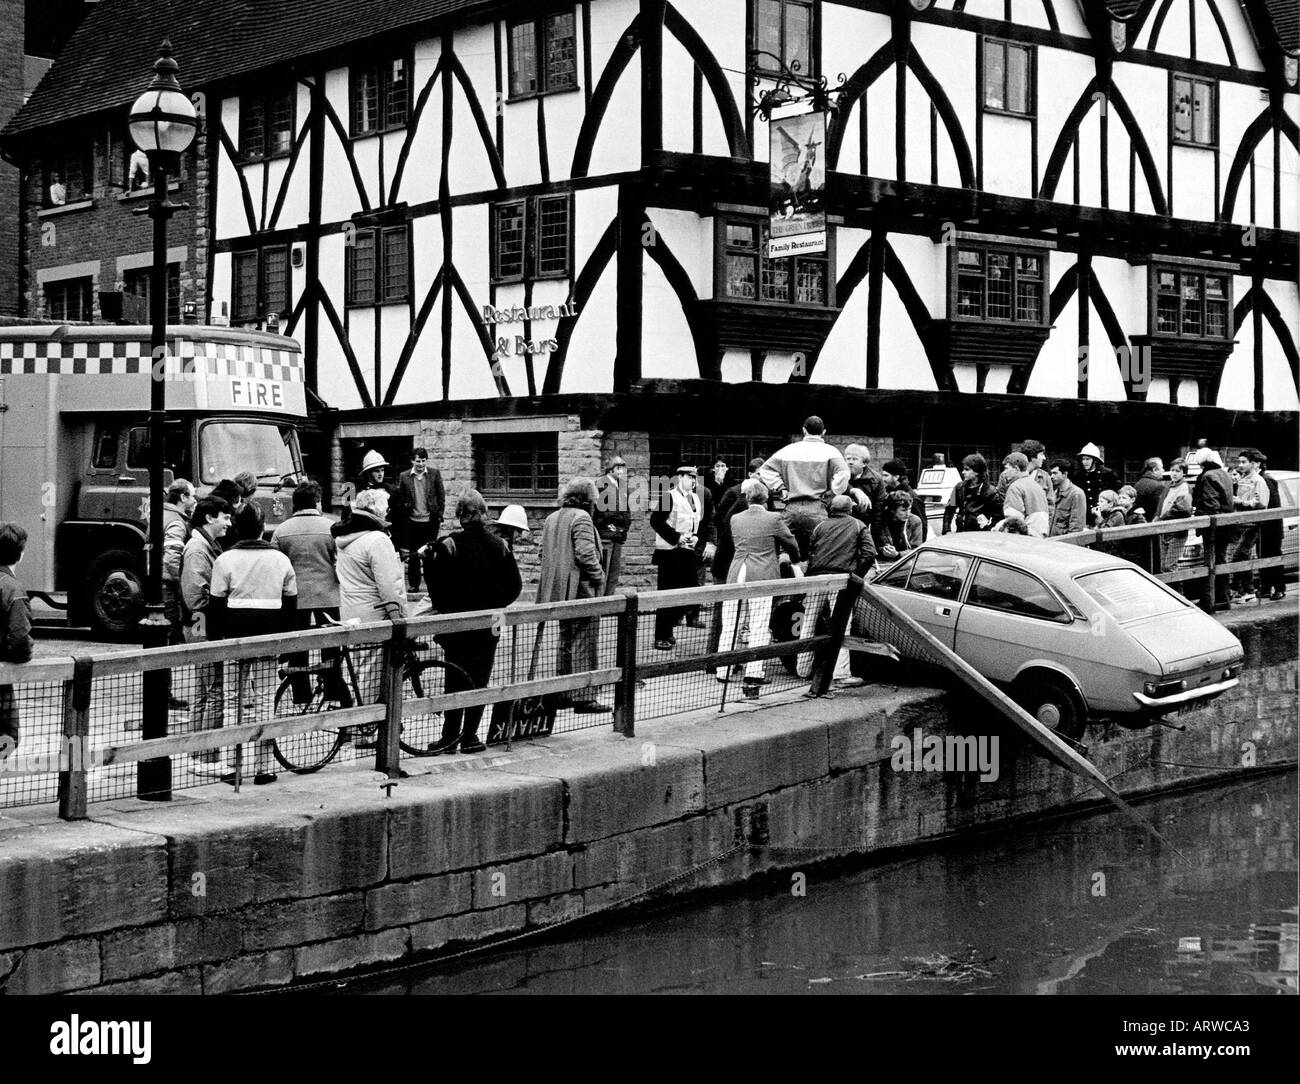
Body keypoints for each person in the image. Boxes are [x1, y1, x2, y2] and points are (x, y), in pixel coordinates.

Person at [422, 490, 523, 753]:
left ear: (460, 516)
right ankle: (470, 738)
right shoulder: (500, 546)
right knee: (479, 679)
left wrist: (448, 608)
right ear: (483, 514)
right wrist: (495, 604)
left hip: (458, 625)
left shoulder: (449, 545)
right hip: (490, 624)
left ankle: (449, 738)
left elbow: (436, 585)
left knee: (454, 679)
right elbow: (515, 587)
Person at [209, 502, 297, 786]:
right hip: (268, 640)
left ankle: (232, 766)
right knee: (264, 701)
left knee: (232, 701)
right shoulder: (281, 560)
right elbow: (290, 604)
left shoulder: (225, 560)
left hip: (234, 640)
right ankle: (264, 767)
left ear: (236, 528)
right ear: (262, 529)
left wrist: (216, 641)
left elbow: (216, 605)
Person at [717, 480, 799, 690]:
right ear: (766, 498)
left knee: (731, 621)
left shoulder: (736, 519)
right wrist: (795, 557)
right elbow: (790, 543)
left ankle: (723, 669)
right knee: (759, 623)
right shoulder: (773, 518)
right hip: (762, 572)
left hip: (737, 571)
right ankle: (754, 672)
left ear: (747, 497)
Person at [272, 481, 347, 706]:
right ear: (317, 501)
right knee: (331, 646)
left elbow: (277, 566)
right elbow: (340, 561)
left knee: (298, 647)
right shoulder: (332, 527)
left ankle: (301, 695)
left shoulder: (281, 531)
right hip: (328, 595)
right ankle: (332, 691)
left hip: (295, 597)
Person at [537, 478, 609, 712]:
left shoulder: (552, 518)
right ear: (586, 499)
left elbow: (542, 553)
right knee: (584, 641)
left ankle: (564, 692)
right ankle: (583, 696)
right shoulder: (582, 517)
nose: (596, 503)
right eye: (595, 498)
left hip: (558, 592)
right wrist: (599, 577)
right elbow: (586, 554)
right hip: (581, 591)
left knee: (565, 640)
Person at [332, 487, 405, 702]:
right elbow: (389, 585)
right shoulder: (377, 540)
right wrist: (399, 617)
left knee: (355, 675)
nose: (388, 513)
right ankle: (362, 731)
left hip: (351, 614)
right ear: (378, 511)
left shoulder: (346, 538)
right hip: (375, 617)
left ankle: (354, 728)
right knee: (370, 680)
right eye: (387, 509)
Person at [179, 496, 234, 775]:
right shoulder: (199, 549)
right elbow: (195, 597)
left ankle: (198, 755)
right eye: (225, 516)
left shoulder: (203, 545)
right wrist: (209, 626)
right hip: (201, 624)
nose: (229, 522)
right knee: (213, 690)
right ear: (210, 517)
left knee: (203, 688)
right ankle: (208, 757)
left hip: (199, 623)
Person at [798, 494, 875, 687]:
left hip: (817, 578)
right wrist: (856, 576)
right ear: (850, 509)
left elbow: (811, 552)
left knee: (808, 621)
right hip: (840, 579)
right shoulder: (858, 525)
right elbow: (870, 553)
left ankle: (802, 669)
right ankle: (840, 674)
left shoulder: (819, 526)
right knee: (841, 625)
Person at [757, 416, 850, 560]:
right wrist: (833, 492)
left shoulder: (788, 450)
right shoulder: (831, 452)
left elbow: (765, 470)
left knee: (784, 545)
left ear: (803, 430)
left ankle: (785, 560)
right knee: (820, 550)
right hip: (817, 508)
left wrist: (781, 488)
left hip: (791, 508)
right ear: (823, 432)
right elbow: (844, 473)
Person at [649, 466, 704, 650]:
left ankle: (670, 625)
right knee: (666, 594)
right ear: (680, 477)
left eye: (695, 478)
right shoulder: (668, 496)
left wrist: (695, 536)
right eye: (689, 477)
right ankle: (662, 635)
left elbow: (696, 522)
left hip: (686, 551)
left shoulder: (695, 498)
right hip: (669, 553)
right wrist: (676, 537)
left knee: (691, 590)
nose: (693, 481)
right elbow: (655, 521)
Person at [161, 478, 196, 710]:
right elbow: (172, 557)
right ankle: (164, 694)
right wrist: (183, 583)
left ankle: (162, 692)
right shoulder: (177, 522)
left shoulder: (161, 515)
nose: (194, 500)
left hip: (157, 585)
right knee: (168, 638)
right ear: (183, 497)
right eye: (192, 496)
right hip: (168, 589)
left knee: (161, 641)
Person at [0, 523, 35, 754]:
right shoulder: (13, 589)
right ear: (20, 554)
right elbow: (20, 637)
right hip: (1, 673)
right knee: (8, 737)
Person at [393, 447, 446, 592]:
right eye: (418, 461)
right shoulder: (404, 477)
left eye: (423, 461)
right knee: (414, 554)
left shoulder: (434, 474)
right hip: (412, 521)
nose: (421, 464)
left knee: (429, 553)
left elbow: (441, 496)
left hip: (430, 521)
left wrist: (439, 514)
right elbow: (401, 498)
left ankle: (431, 583)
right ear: (412, 461)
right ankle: (414, 584)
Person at [1192, 447, 1234, 609]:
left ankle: (1210, 600)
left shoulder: (1207, 476)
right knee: (1220, 560)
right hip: (1226, 524)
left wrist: (1203, 519)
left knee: (1210, 561)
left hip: (1214, 527)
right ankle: (1223, 598)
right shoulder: (1224, 474)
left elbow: (1211, 504)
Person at [1229, 451, 1267, 603]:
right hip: (1241, 522)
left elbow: (1261, 502)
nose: (1240, 465)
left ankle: (1248, 590)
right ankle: (1243, 590)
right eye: (1240, 462)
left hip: (1252, 523)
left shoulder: (1258, 480)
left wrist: (1241, 502)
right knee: (1240, 556)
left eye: (1244, 462)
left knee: (1241, 555)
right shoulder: (1242, 479)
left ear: (1253, 463)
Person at [593, 456, 631, 595]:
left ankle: (610, 601)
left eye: (622, 468)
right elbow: (601, 513)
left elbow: (626, 511)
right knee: (604, 570)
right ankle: (600, 603)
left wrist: (623, 528)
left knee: (614, 572)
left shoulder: (621, 485)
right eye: (618, 468)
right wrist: (613, 524)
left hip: (618, 535)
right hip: (606, 535)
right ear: (610, 469)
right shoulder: (600, 485)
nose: (621, 471)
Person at [1252, 450, 1286, 601]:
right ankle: (1265, 587)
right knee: (1262, 555)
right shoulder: (1259, 479)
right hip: (1264, 525)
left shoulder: (1266, 479)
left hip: (1271, 526)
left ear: (1257, 463)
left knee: (1273, 555)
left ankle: (1280, 588)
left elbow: (1271, 504)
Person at [943, 453, 1002, 533]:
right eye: (963, 469)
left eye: (967, 469)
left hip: (980, 536)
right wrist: (946, 530)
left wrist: (988, 528)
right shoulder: (958, 488)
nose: (963, 472)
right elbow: (949, 509)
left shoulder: (991, 492)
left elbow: (999, 518)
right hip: (960, 534)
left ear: (977, 472)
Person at [1155, 458, 1193, 574]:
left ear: (1184, 473)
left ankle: (1176, 590)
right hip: (1165, 530)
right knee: (1163, 566)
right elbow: (1161, 504)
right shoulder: (1168, 486)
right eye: (1172, 470)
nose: (1174, 474)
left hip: (1177, 531)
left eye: (1177, 471)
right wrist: (1157, 516)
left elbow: (1184, 509)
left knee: (1170, 566)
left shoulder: (1185, 488)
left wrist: (1164, 516)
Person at [879, 459, 928, 544]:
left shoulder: (912, 498)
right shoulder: (886, 493)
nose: (883, 479)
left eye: (886, 475)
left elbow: (921, 527)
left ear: (896, 477)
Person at [1000, 452, 1049, 538]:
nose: (1004, 473)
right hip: (1041, 537)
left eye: (1006, 468)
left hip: (1025, 539)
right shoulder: (1037, 486)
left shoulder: (1015, 487)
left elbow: (1013, 523)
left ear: (1016, 468)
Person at [1073, 442, 1121, 527]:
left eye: (1088, 459)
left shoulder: (1107, 473)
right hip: (1085, 516)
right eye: (1083, 459)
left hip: (1104, 516)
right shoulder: (1078, 475)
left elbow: (1118, 491)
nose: (1085, 462)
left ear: (1094, 460)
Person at [843, 443, 884, 534]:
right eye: (848, 458)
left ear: (864, 463)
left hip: (863, 524)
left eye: (855, 459)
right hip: (843, 523)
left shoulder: (875, 480)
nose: (850, 462)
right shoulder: (840, 475)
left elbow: (878, 510)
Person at [880, 490, 926, 557]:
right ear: (893, 510)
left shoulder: (914, 521)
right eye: (903, 510)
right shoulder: (882, 521)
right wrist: (883, 550)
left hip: (907, 561)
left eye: (909, 509)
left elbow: (916, 549)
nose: (907, 514)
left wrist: (898, 554)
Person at [1048, 459, 1087, 537]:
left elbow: (1076, 527)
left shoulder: (1076, 494)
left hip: (1065, 544)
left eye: (1055, 473)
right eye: (1051, 473)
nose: (1051, 476)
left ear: (1065, 474)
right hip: (1053, 542)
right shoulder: (1056, 492)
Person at [1020, 439, 1055, 511]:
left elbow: (1050, 505)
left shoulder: (1045, 477)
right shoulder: (1013, 475)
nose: (1044, 458)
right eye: (1041, 454)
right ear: (1032, 457)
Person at [1133, 458, 1165, 524]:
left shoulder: (1138, 483)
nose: (1163, 470)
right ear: (1155, 470)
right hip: (1151, 524)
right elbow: (1159, 509)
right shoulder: (1158, 486)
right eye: (1162, 468)